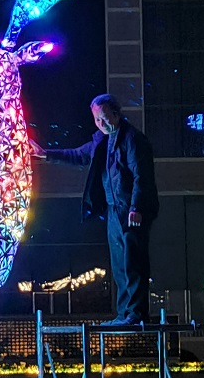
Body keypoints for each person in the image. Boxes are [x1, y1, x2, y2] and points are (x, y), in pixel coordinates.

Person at [33, 94, 159, 325]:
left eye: (103, 118)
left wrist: (136, 207)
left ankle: (136, 314)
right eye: (96, 119)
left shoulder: (133, 139)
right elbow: (79, 155)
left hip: (130, 210)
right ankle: (124, 313)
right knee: (119, 264)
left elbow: (142, 177)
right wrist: (46, 154)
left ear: (116, 114)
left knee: (133, 262)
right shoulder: (102, 140)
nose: (100, 123)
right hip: (114, 210)